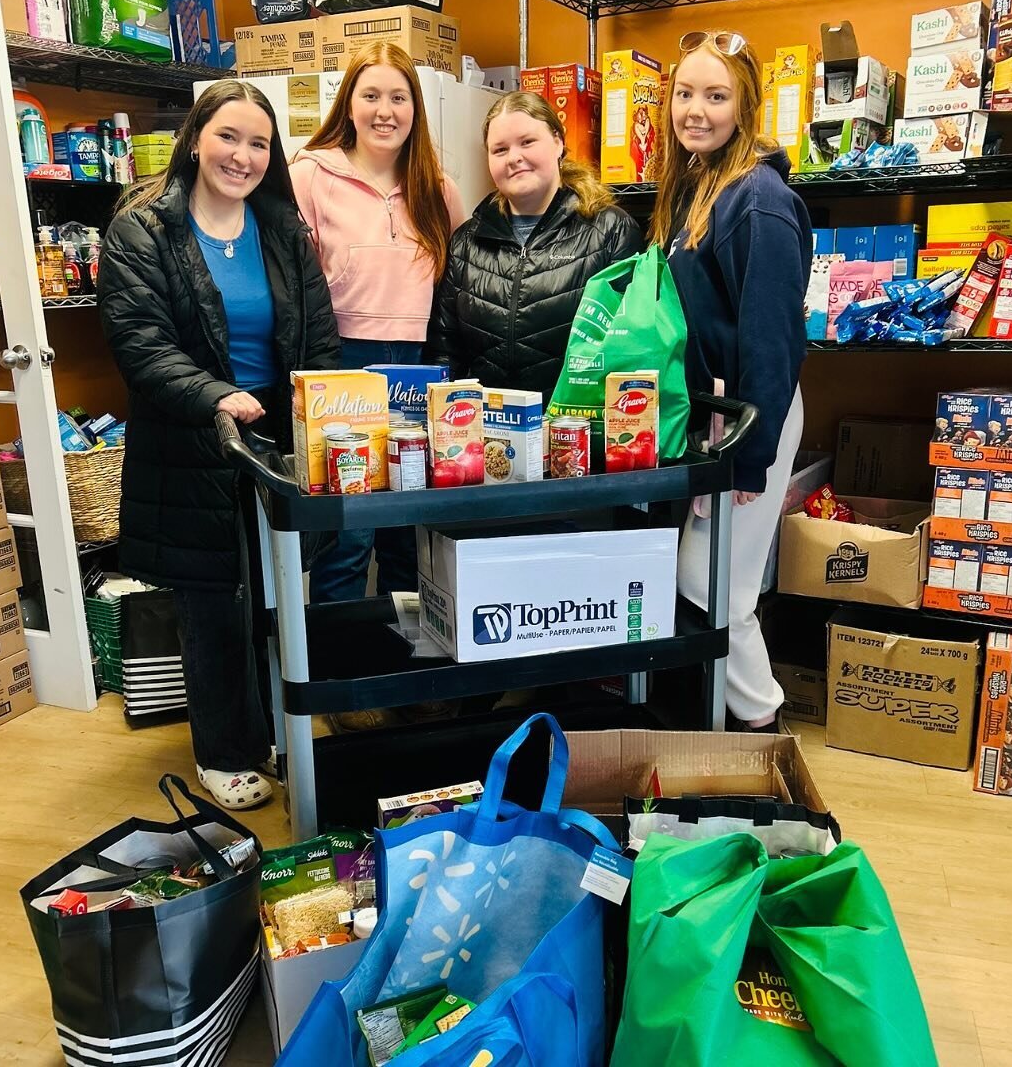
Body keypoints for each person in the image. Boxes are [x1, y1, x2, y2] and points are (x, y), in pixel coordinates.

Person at [98, 80, 340, 809]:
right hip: (194, 440)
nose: (242, 155)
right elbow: (140, 342)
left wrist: (324, 408)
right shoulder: (145, 229)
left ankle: (273, 736)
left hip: (275, 436)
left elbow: (318, 335)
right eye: (228, 136)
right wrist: (215, 396)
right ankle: (223, 752)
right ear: (196, 137)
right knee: (211, 603)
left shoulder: (283, 229)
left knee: (277, 595)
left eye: (259, 142)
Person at [653, 30, 812, 733]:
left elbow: (770, 340)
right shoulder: (699, 183)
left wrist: (753, 452)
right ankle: (732, 728)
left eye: (715, 96)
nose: (696, 109)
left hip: (751, 415)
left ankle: (760, 728)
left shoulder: (757, 199)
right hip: (718, 415)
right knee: (706, 577)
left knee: (713, 581)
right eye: (685, 93)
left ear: (744, 104)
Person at [290, 43, 465, 606]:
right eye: (371, 95)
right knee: (347, 528)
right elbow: (292, 285)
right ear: (349, 103)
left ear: (415, 107)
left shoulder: (437, 187)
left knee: (407, 525)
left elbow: (463, 277)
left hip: (420, 369)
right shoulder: (310, 175)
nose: (384, 110)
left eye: (398, 96)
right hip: (343, 364)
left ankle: (400, 659)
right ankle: (340, 679)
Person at [428, 90, 643, 399]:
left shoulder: (610, 230)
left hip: (575, 435)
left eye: (527, 142)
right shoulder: (466, 243)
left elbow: (629, 351)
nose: (514, 157)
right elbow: (445, 352)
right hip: (489, 436)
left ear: (558, 142)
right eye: (500, 149)